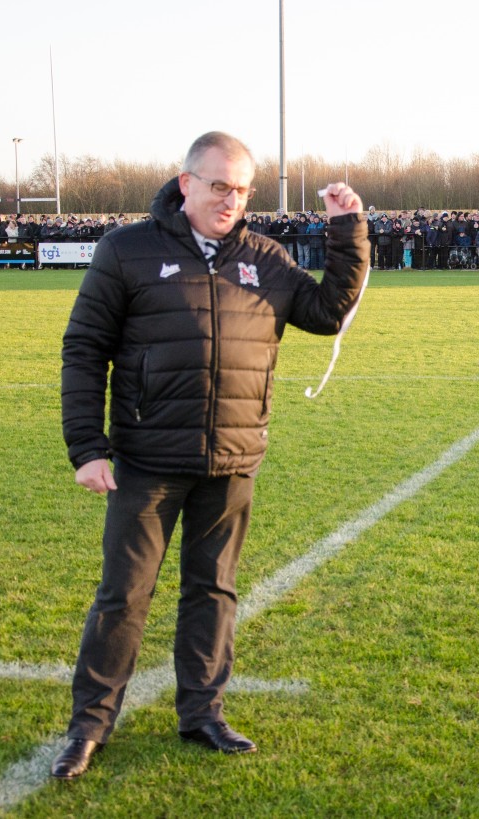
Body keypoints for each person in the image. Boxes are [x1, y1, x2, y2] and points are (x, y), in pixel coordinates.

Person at [53, 131, 368, 780]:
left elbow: (329, 312)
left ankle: (202, 712)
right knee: (123, 596)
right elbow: (84, 349)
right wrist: (88, 447)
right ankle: (90, 724)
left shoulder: (267, 258)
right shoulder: (127, 251)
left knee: (214, 590)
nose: (230, 198)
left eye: (242, 188)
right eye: (219, 184)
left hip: (232, 458)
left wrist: (348, 231)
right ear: (185, 181)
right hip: (145, 459)